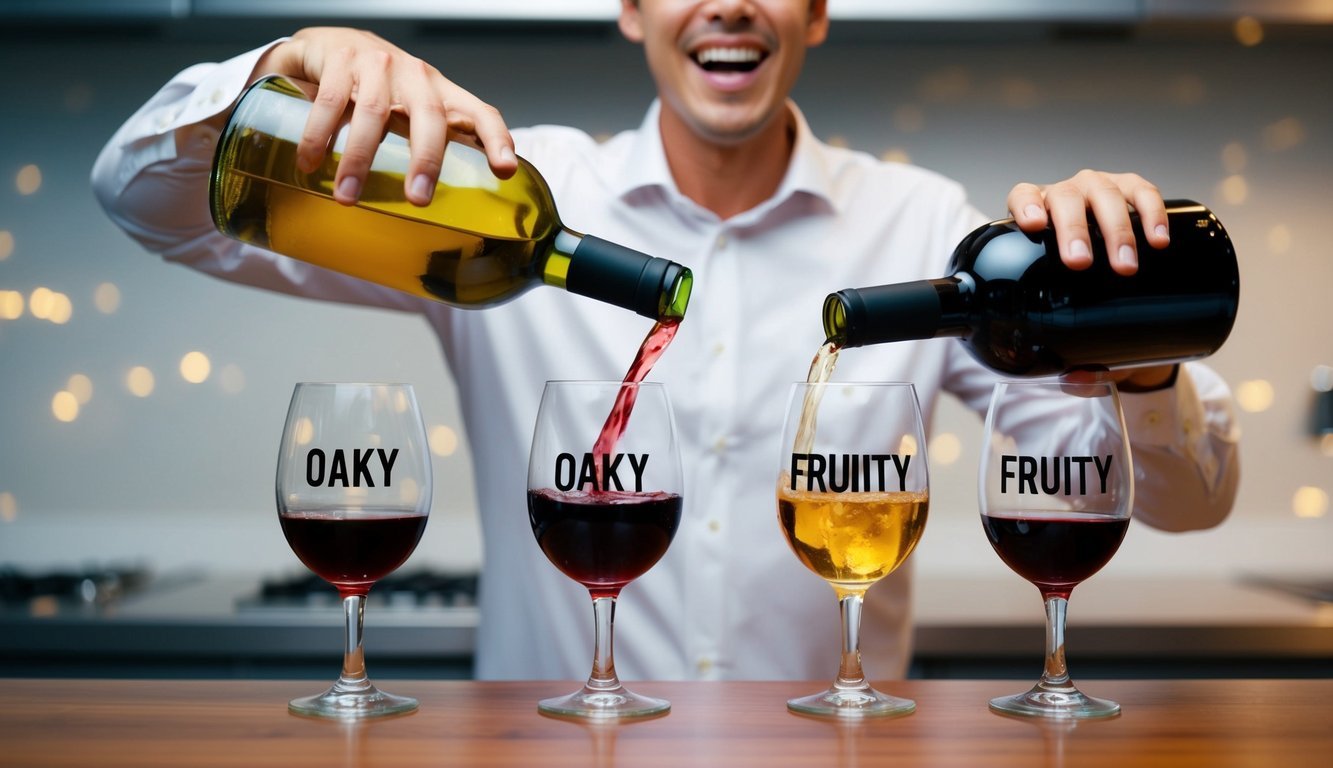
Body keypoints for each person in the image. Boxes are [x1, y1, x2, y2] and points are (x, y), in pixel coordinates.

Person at [92, 1, 1239, 681]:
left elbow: (1185, 501)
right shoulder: (477, 186)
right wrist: (281, 69)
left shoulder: (927, 230)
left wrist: (1137, 355)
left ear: (818, 10)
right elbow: (144, 200)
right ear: (631, 6)